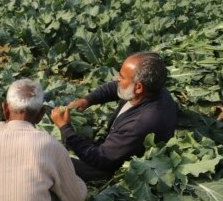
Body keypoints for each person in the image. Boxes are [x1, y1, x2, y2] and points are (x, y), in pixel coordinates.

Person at [51, 52, 177, 182]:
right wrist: (87, 100)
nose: (117, 79)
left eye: (122, 77)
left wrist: (65, 128)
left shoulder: (139, 124)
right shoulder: (153, 90)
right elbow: (115, 88)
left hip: (109, 166)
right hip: (120, 148)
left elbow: (100, 159)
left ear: (139, 87)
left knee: (52, 160)